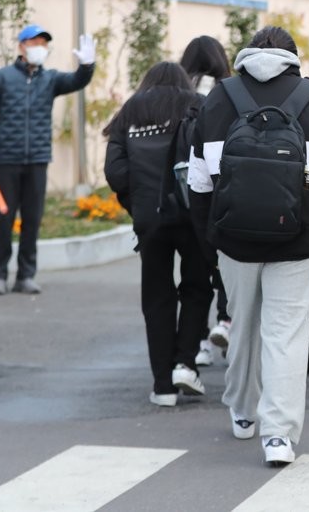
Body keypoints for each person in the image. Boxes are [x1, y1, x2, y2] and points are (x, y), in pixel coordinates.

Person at [188, 26, 309, 466]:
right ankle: (278, 435)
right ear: (294, 59)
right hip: (297, 239)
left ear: (246, 54)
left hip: (233, 239)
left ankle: (242, 412)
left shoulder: (219, 99)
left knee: (242, 324)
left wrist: (213, 235)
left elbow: (199, 182)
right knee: (287, 334)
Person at [104, 62, 213, 407]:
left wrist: (138, 204)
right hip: (191, 213)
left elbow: (115, 172)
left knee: (157, 296)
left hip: (149, 219)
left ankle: (163, 385)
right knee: (197, 287)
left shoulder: (131, 110)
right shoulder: (198, 103)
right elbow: (212, 156)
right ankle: (185, 362)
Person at [0, 25, 96, 295]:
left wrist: (87, 66)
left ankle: (26, 275)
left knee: (33, 218)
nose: (39, 47)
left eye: (43, 42)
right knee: (3, 219)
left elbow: (77, 80)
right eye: (34, 42)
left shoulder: (50, 79)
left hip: (38, 159)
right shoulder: (1, 78)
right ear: (21, 46)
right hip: (6, 159)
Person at [179, 35, 233, 368]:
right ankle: (227, 321)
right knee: (226, 262)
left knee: (194, 275)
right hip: (222, 190)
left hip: (184, 194)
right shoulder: (227, 94)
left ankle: (197, 342)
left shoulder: (180, 96)